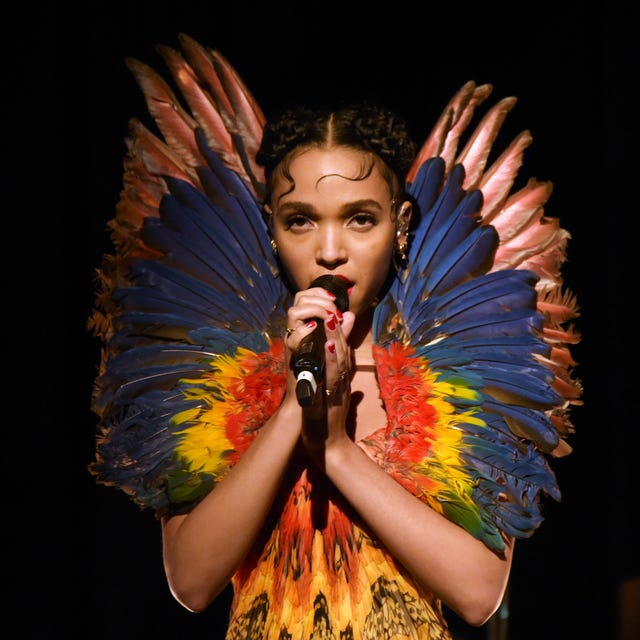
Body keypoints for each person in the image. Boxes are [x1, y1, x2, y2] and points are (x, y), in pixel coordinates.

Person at [89, 34, 581, 639]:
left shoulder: (441, 382)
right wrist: (296, 415)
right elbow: (191, 583)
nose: (329, 251)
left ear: (400, 226)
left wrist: (338, 450)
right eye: (300, 221)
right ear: (271, 231)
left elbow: (480, 594)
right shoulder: (233, 381)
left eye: (359, 219)